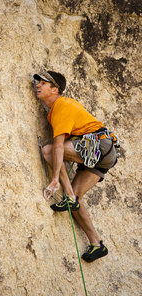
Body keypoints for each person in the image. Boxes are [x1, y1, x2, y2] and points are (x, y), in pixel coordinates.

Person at [34, 70, 118, 263]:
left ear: (55, 90)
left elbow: (57, 146)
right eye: (38, 82)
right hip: (104, 152)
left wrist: (55, 178)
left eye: (43, 83)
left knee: (48, 151)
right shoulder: (60, 108)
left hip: (99, 145)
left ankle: (69, 196)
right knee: (76, 201)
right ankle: (97, 243)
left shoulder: (61, 105)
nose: (38, 85)